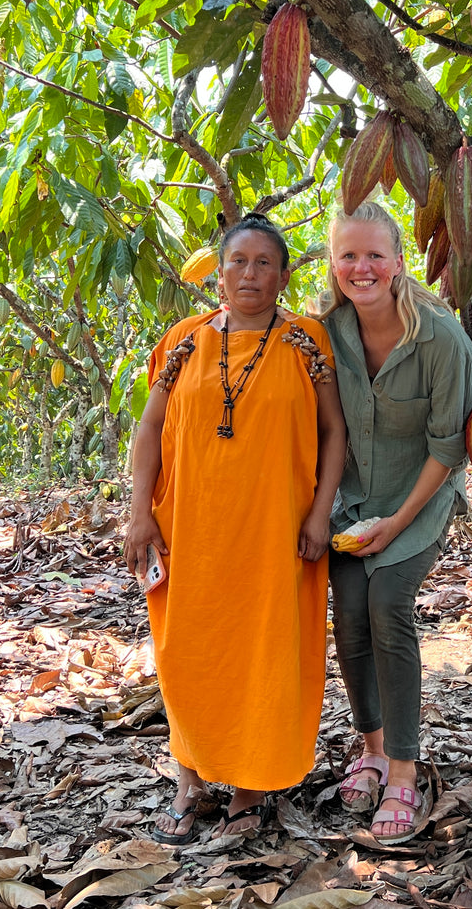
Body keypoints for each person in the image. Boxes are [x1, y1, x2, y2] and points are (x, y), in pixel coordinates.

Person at [124, 213, 347, 845]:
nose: (250, 274)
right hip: (190, 527)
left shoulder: (307, 340)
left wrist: (319, 511)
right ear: (218, 272)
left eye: (264, 264)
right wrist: (140, 513)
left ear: (283, 274)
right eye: (238, 262)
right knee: (188, 653)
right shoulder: (184, 341)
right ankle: (188, 784)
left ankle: (251, 789)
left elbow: (334, 432)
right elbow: (148, 432)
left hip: (276, 530)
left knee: (264, 654)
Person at [321, 201, 472, 845]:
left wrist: (397, 522)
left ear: (397, 261)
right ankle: (370, 744)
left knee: (389, 604)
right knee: (350, 613)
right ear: (333, 264)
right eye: (347, 256)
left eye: (374, 255)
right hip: (352, 500)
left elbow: (448, 449)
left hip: (419, 499)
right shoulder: (327, 331)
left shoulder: (439, 337)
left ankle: (403, 770)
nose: (361, 268)